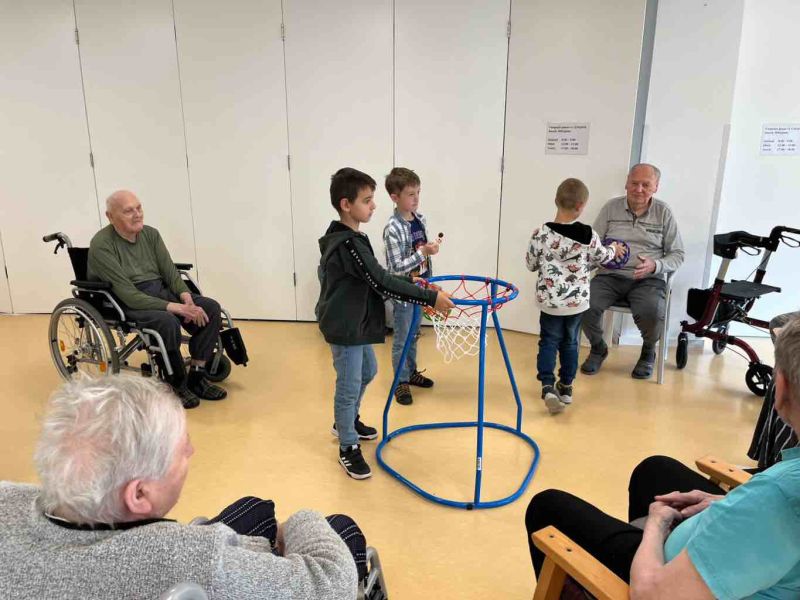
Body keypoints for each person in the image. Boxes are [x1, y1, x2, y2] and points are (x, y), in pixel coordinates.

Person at [0, 376, 363, 599]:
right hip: (187, 570)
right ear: (139, 494)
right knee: (340, 529)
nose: (191, 451)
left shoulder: (7, 497)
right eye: (181, 447)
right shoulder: (189, 559)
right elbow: (332, 583)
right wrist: (301, 520)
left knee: (256, 507)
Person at [525, 316, 800, 599]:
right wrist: (725, 502)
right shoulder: (779, 492)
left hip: (662, 584)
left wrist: (656, 527)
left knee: (547, 508)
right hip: (749, 552)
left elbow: (651, 595)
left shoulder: (777, 497)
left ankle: (632, 558)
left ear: (780, 387)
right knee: (655, 471)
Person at [318, 168, 454, 480]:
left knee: (368, 370)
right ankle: (347, 445)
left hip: (357, 321)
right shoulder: (348, 243)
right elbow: (381, 281)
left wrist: (414, 283)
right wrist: (429, 297)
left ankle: (346, 421)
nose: (373, 205)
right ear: (346, 205)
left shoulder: (352, 237)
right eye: (367, 200)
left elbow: (377, 277)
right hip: (345, 326)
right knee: (349, 384)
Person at [87, 190, 226, 408]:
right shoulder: (102, 244)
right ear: (110, 216)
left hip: (160, 290)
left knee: (210, 308)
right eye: (128, 211)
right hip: (126, 300)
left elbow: (170, 273)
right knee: (167, 321)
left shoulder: (151, 235)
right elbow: (129, 295)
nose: (137, 214)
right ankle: (176, 383)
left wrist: (186, 298)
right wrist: (176, 308)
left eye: (139, 208)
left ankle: (197, 376)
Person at [525, 178, 622, 414]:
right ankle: (566, 387)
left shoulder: (541, 234)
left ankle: (548, 386)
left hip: (550, 302)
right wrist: (615, 249)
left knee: (548, 341)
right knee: (570, 342)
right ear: (581, 206)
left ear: (555, 200)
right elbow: (604, 258)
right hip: (576, 303)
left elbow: (530, 264)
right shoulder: (589, 235)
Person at [580, 164, 685, 379]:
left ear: (656, 187)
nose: (639, 189)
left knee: (652, 310)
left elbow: (677, 254)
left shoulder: (663, 212)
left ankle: (648, 352)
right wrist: (598, 258)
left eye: (646, 185)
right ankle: (598, 348)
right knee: (582, 302)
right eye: (634, 183)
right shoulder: (611, 208)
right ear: (626, 183)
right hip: (609, 276)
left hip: (648, 279)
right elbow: (593, 244)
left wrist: (655, 265)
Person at [383, 167, 441, 406]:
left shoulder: (420, 219)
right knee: (402, 338)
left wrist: (429, 257)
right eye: (410, 194)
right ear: (395, 197)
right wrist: (422, 253)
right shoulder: (392, 228)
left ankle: (411, 371)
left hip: (420, 289)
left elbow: (422, 255)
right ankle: (400, 381)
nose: (416, 198)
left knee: (415, 334)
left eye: (418, 192)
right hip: (403, 293)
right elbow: (396, 268)